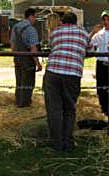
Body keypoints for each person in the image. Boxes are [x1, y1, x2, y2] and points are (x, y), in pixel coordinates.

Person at [44, 13, 90, 152]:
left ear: (63, 21)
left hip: (53, 71)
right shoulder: (83, 32)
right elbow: (88, 47)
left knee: (54, 109)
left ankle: (57, 143)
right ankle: (68, 142)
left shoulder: (55, 32)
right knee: (69, 108)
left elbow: (52, 46)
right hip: (72, 73)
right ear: (76, 22)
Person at [10, 9, 42, 107]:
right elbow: (33, 48)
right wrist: (37, 63)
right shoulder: (31, 29)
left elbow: (12, 44)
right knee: (28, 81)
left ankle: (18, 101)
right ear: (31, 16)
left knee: (19, 80)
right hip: (27, 59)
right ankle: (25, 103)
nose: (35, 20)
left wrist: (15, 56)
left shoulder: (15, 27)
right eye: (35, 17)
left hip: (17, 56)